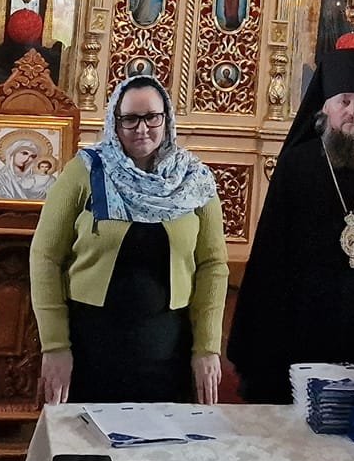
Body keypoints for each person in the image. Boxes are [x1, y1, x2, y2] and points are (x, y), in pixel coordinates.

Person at [227, 43, 354, 402]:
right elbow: (270, 253)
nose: (353, 111)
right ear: (325, 108)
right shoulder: (295, 165)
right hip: (303, 319)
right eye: (344, 102)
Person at [30, 75, 229, 404]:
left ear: (166, 118)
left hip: (168, 349)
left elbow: (213, 265)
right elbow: (45, 257)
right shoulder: (86, 171)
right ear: (114, 121)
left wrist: (207, 348)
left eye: (152, 117)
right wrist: (55, 346)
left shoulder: (194, 179)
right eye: (130, 119)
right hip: (92, 346)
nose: (142, 129)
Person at [0, 136, 54, 201]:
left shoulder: (41, 179)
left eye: (32, 156)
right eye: (24, 153)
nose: (27, 158)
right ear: (13, 153)